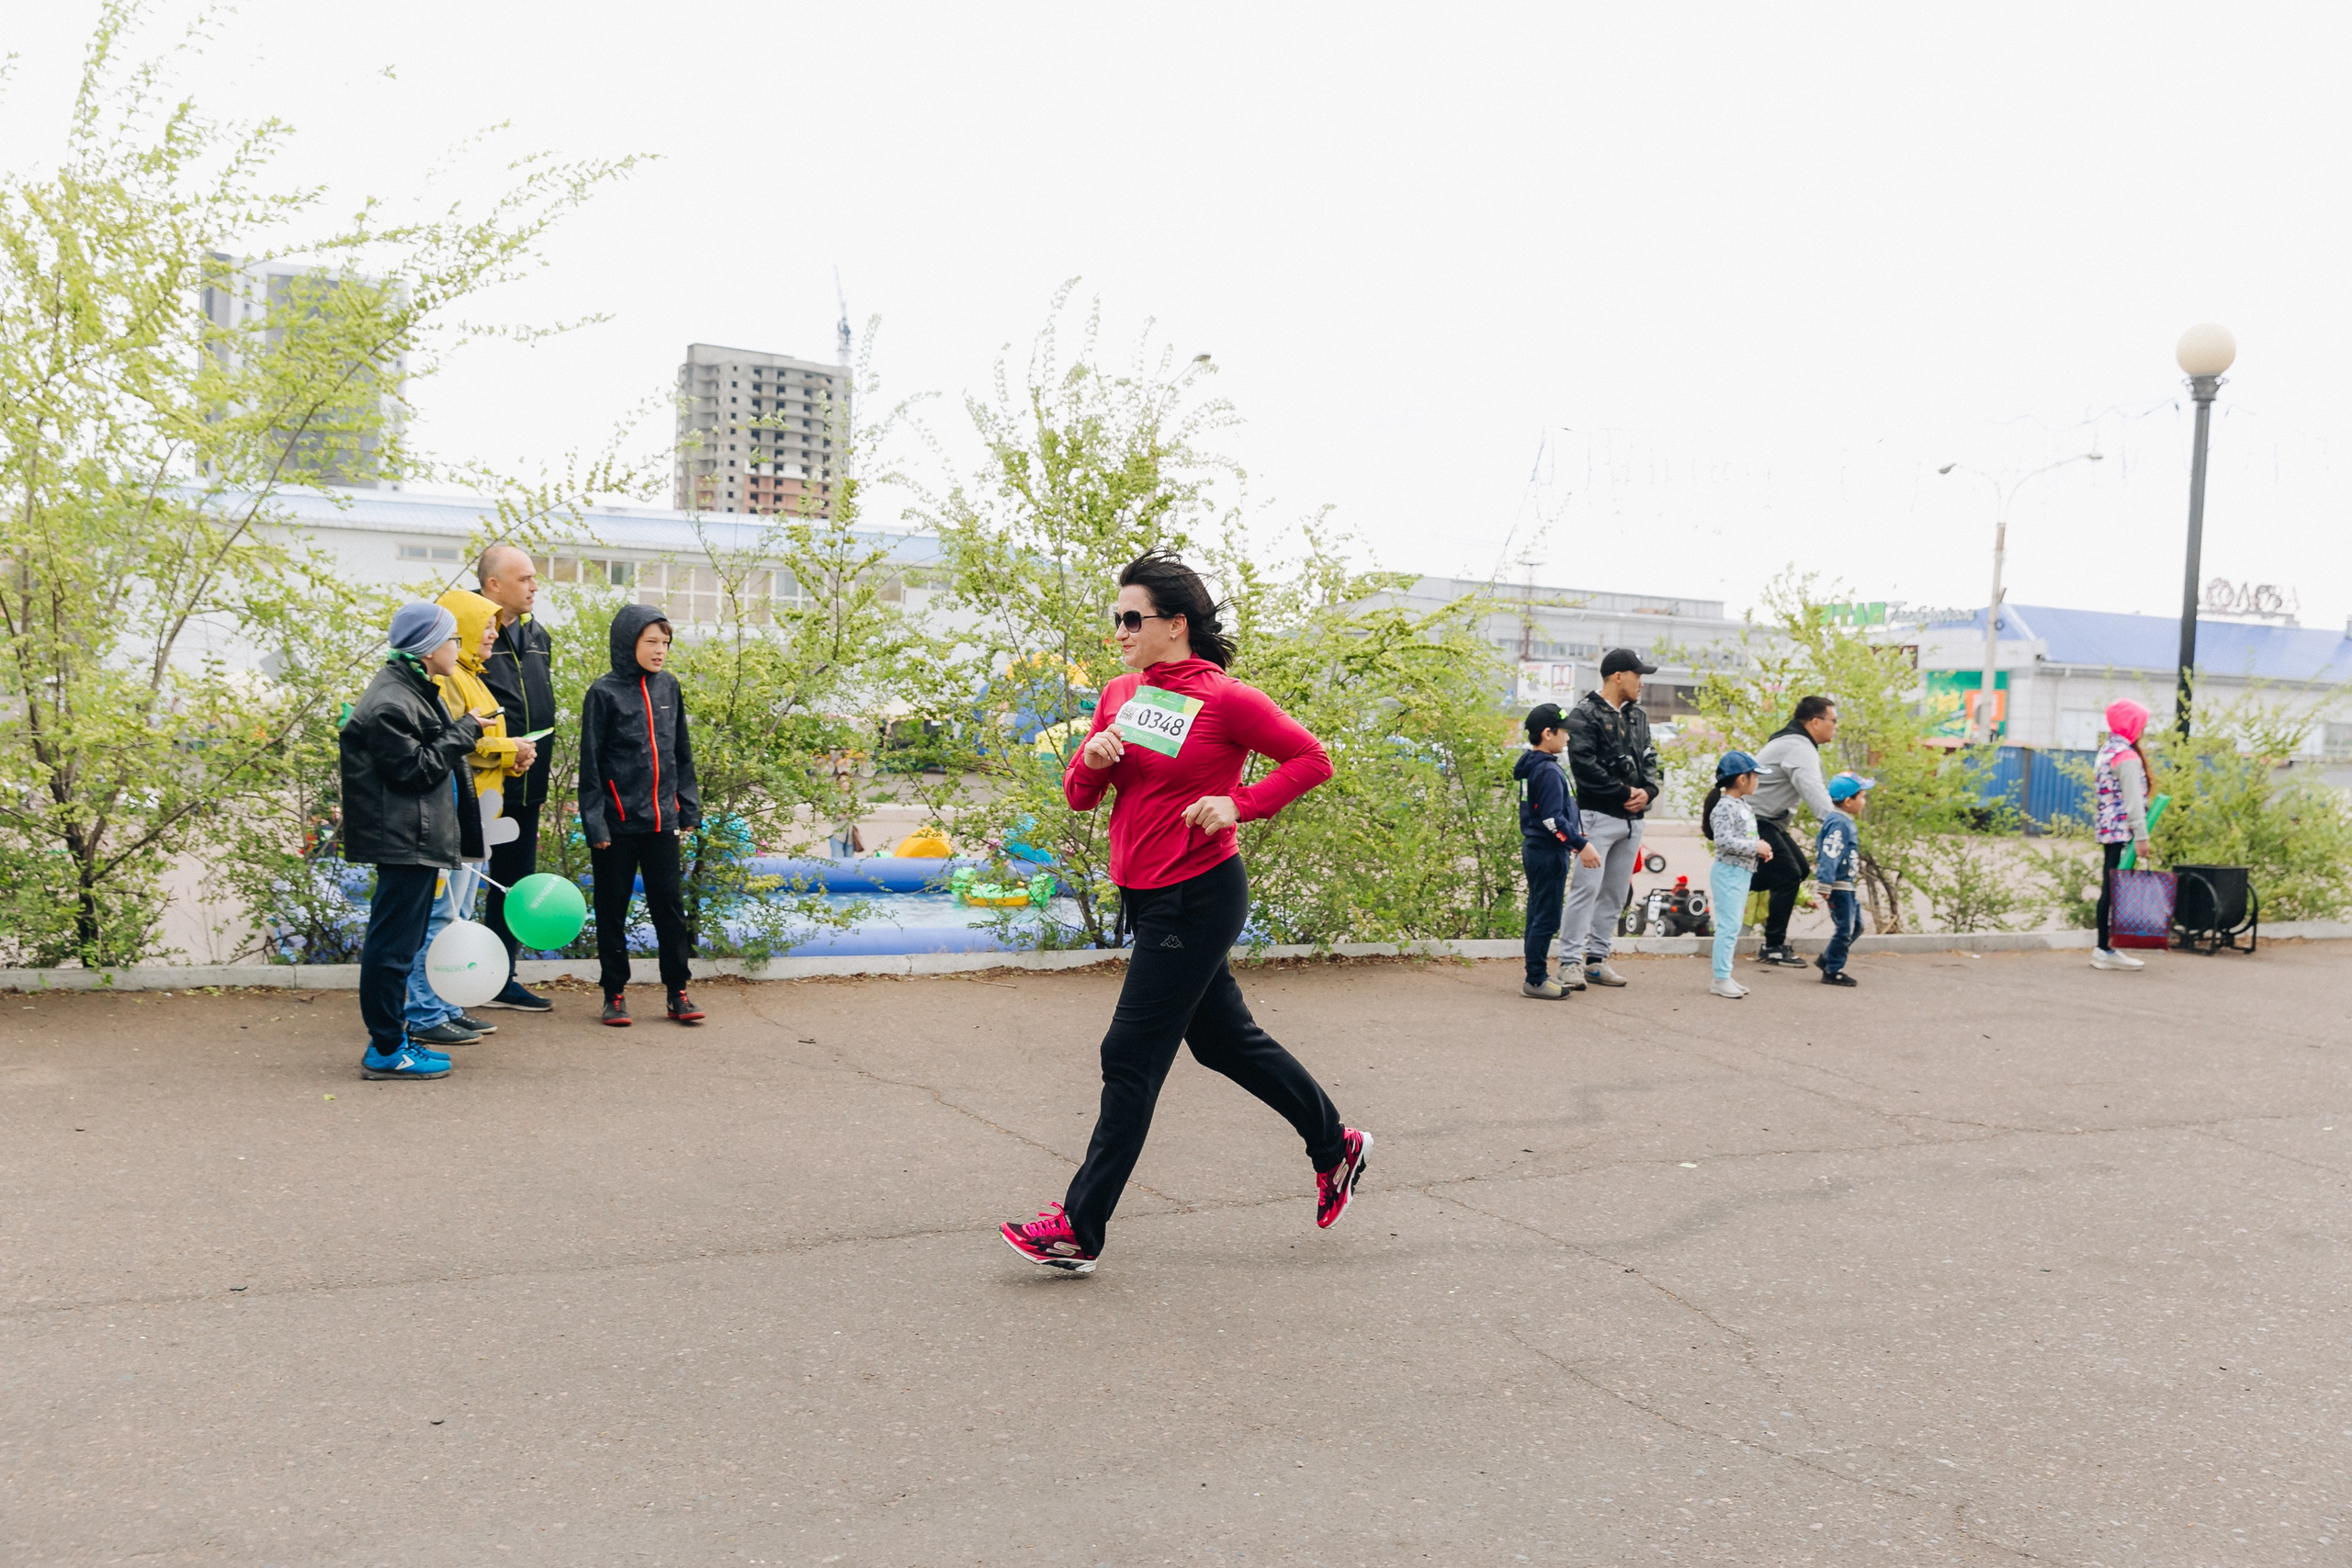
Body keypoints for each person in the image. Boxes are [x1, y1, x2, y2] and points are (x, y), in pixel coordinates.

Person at [1000, 549, 1368, 1275]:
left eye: (1133, 619)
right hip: (1147, 894)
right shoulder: (1119, 694)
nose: (1121, 631)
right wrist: (1092, 759)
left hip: (1198, 892)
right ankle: (1336, 1144)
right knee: (1225, 1042)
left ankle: (1078, 1226)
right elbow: (1080, 798)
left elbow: (1312, 759)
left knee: (1128, 1056)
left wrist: (1240, 801)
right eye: (1117, 619)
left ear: (1176, 624)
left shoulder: (1227, 699)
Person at [338, 602, 492, 1080]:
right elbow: (413, 769)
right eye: (451, 640)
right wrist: (464, 731)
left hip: (415, 839)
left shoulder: (413, 690)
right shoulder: (390, 701)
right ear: (428, 648)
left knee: (399, 947)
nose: (458, 647)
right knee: (392, 949)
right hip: (403, 840)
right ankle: (386, 1049)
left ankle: (393, 1039)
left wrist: (460, 731)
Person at [401, 589, 535, 1049]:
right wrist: (507, 748)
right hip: (455, 814)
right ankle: (423, 1011)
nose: (494, 633)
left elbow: (479, 738)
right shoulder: (450, 679)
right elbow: (456, 740)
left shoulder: (473, 676)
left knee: (457, 914)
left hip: (476, 816)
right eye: (486, 624)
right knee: (440, 914)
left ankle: (446, 1003)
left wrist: (512, 755)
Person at [578, 604, 704, 1027]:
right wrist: (594, 822)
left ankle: (678, 992)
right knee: (611, 909)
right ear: (628, 643)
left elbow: (681, 753)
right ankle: (614, 994)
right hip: (615, 824)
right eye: (651, 641)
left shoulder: (669, 687)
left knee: (669, 907)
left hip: (662, 821)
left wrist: (688, 808)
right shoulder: (603, 692)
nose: (660, 650)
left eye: (665, 642)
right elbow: (590, 763)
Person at [474, 545, 559, 1012]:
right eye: (524, 578)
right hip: (477, 783)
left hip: (527, 781)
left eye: (534, 577)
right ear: (494, 586)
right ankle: (441, 984)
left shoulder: (538, 634)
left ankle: (499, 979)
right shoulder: (468, 631)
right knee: (455, 885)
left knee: (512, 883)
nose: (535, 586)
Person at [1560, 649, 1664, 988]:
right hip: (1597, 816)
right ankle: (1569, 962)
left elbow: (1651, 758)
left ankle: (1596, 960)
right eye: (1638, 676)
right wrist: (1624, 793)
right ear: (1618, 676)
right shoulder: (1583, 714)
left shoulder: (1639, 717)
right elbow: (1584, 765)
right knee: (1585, 891)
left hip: (1633, 821)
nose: (1642, 684)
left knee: (1616, 894)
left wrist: (1648, 791)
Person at [1515, 702, 1601, 998]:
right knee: (1547, 916)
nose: (1568, 737)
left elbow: (1548, 814)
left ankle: (1536, 974)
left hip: (1537, 847)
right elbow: (1551, 819)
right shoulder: (1548, 771)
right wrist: (1580, 844)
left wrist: (1573, 833)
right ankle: (1536, 979)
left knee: (1538, 912)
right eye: (1564, 732)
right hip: (1548, 852)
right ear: (1547, 733)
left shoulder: (1533, 766)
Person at [1748, 695, 1839, 968]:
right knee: (1787, 874)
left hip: (1767, 821)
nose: (1836, 726)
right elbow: (1813, 790)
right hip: (1756, 820)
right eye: (1833, 721)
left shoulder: (1791, 742)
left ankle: (1741, 878)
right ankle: (1774, 947)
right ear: (1815, 722)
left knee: (1798, 870)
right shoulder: (1798, 748)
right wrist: (1837, 823)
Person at [2091, 699, 2156, 972]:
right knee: (2112, 888)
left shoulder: (2107, 750)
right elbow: (2133, 801)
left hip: (2107, 828)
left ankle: (2104, 947)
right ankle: (2104, 949)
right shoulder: (2126, 756)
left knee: (2109, 886)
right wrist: (2141, 836)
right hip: (2121, 831)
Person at [1702, 750, 1770, 999]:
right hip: (1728, 873)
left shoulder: (1741, 805)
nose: (1757, 781)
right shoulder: (1724, 807)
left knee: (1732, 926)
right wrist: (1755, 847)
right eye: (1755, 776)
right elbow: (1723, 841)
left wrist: (1759, 847)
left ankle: (1725, 975)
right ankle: (1720, 978)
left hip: (1741, 873)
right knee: (1729, 928)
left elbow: (1740, 838)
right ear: (1742, 779)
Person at [1815, 773, 1874, 987]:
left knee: (1856, 925)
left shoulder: (1843, 821)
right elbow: (1830, 853)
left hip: (1846, 884)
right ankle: (1833, 970)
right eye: (1862, 797)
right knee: (1845, 929)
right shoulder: (1839, 823)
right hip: (1838, 885)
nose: (1864, 802)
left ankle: (1828, 958)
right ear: (1849, 801)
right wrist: (1825, 881)